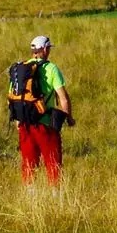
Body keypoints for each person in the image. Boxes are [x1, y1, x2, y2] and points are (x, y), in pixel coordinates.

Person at [12, 35, 71, 187]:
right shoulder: (51, 69)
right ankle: (55, 197)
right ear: (44, 49)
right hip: (45, 124)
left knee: (29, 165)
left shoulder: (20, 70)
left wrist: (18, 121)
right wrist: (68, 118)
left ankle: (29, 197)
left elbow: (13, 97)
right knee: (53, 164)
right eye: (49, 48)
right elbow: (63, 98)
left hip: (24, 124)